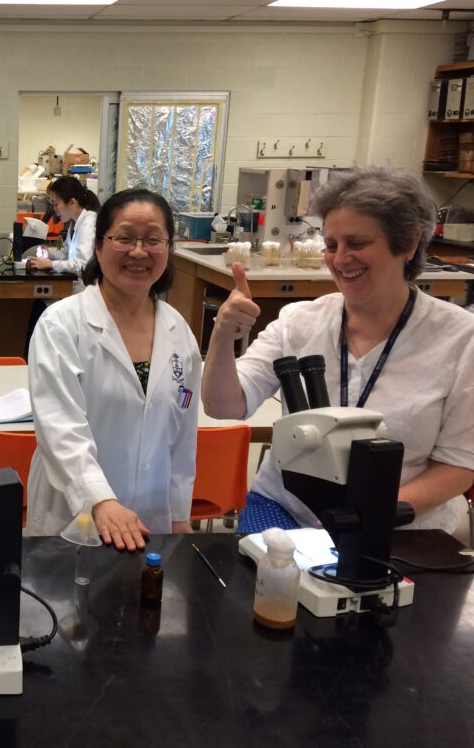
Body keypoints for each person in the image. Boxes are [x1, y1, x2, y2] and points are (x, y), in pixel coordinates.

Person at [201, 166, 474, 535]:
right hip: (287, 510)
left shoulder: (459, 339)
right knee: (269, 585)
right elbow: (224, 406)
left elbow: (459, 466)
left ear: (408, 243)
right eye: (331, 245)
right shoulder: (299, 321)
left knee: (374, 590)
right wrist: (222, 335)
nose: (340, 259)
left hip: (400, 523)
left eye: (357, 244)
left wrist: (369, 515)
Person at [26, 189, 201, 549]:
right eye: (124, 238)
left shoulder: (178, 330)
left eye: (153, 240)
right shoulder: (62, 324)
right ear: (100, 245)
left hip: (152, 516)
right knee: (67, 603)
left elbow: (182, 436)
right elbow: (59, 427)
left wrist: (180, 512)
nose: (139, 252)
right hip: (78, 517)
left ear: (168, 248)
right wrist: (99, 499)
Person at [27, 176, 100, 286]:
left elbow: (82, 265)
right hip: (75, 284)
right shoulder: (75, 222)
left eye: (56, 204)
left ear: (72, 202)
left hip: (86, 288)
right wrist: (51, 256)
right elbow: (67, 253)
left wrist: (51, 264)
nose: (54, 209)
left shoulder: (89, 223)